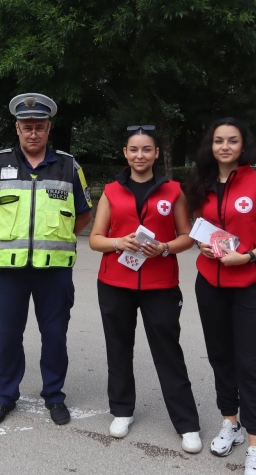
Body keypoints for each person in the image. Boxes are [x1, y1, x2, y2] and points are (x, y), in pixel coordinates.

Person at [0, 93, 93, 426]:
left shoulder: (69, 167)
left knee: (54, 337)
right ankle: (4, 397)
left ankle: (54, 396)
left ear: (48, 128)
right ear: (17, 128)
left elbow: (83, 216)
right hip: (8, 270)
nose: (32, 133)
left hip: (53, 270)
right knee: (7, 337)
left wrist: (57, 239)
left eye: (39, 127)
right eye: (26, 127)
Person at [88, 125, 202, 453]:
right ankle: (122, 411)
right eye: (134, 149)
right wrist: (117, 242)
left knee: (168, 353)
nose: (140, 155)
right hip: (115, 283)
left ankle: (187, 424)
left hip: (160, 284)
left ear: (156, 153)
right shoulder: (111, 191)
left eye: (147, 149)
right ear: (125, 153)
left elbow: (187, 236)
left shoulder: (173, 190)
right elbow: (95, 239)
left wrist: (164, 248)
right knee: (118, 349)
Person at [185, 118, 256, 475]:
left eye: (232, 140)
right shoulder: (201, 182)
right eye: (218, 141)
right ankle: (231, 423)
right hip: (209, 284)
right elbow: (198, 228)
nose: (224, 147)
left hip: (250, 285)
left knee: (249, 365)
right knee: (220, 358)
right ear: (210, 146)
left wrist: (249, 256)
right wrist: (202, 245)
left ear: (243, 146)